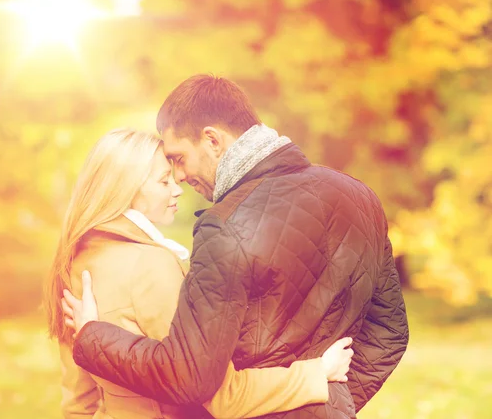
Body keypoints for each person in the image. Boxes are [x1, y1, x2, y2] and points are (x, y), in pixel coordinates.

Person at [66, 75, 410, 418]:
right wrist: (330, 401)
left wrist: (92, 338)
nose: (181, 178)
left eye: (180, 159)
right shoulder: (361, 197)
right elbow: (389, 334)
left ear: (212, 140)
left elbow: (191, 378)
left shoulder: (225, 224)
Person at [45, 128, 355, 419]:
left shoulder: (74, 263)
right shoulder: (151, 266)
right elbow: (219, 395)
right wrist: (315, 373)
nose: (177, 189)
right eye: (164, 181)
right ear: (125, 190)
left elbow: (79, 401)